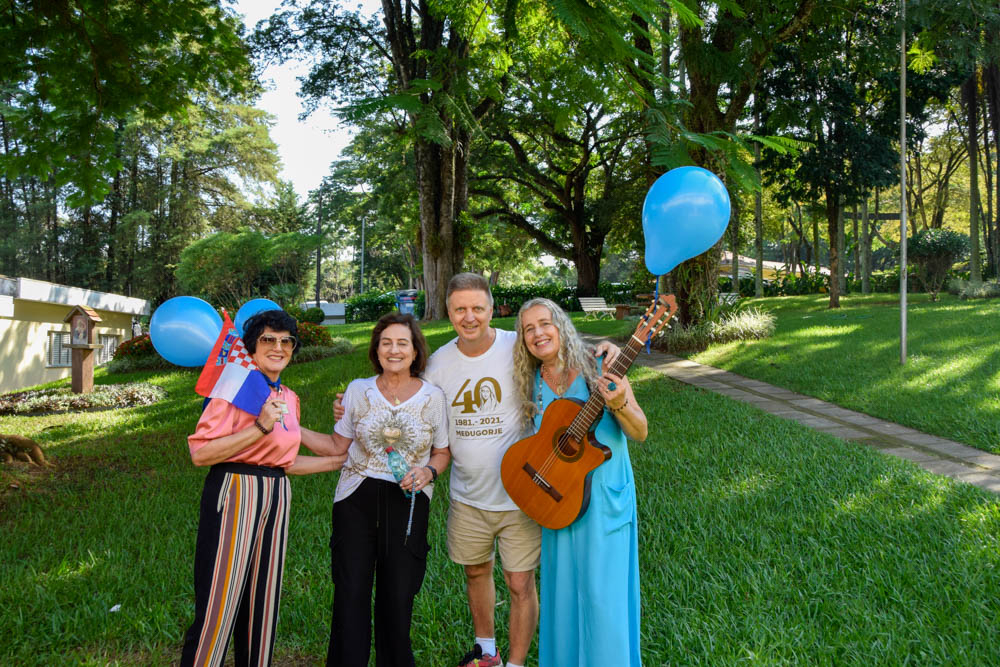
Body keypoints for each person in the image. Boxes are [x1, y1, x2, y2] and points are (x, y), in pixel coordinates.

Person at [334, 275, 618, 667]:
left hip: (524, 489)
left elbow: (556, 348)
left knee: (520, 582)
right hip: (468, 494)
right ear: (448, 312)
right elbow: (405, 396)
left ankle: (515, 664)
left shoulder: (515, 344)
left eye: (477, 308)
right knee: (476, 572)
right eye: (460, 309)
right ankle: (487, 654)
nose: (469, 317)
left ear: (491, 308)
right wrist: (348, 405)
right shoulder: (438, 364)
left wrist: (604, 349)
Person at [181, 309, 346, 667]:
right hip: (235, 490)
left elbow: (286, 462)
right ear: (252, 347)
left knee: (263, 600)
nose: (278, 347)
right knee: (220, 599)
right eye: (268, 339)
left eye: (287, 341)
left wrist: (342, 462)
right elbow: (201, 453)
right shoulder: (232, 389)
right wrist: (258, 427)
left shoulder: (289, 396)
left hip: (277, 493)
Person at [512, 297, 647, 667]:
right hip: (557, 500)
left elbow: (640, 431)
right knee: (564, 596)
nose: (538, 333)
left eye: (545, 323)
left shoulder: (600, 365)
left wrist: (619, 403)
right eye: (528, 329)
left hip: (603, 499)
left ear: (561, 325)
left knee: (603, 598)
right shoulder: (531, 383)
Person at [326, 312, 450, 667]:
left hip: (408, 502)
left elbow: (442, 452)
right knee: (350, 592)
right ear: (376, 349)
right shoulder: (357, 390)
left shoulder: (433, 398)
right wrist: (289, 429)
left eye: (402, 343)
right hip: (355, 498)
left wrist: (428, 472)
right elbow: (337, 445)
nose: (394, 350)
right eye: (386, 343)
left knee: (398, 595)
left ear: (415, 351)